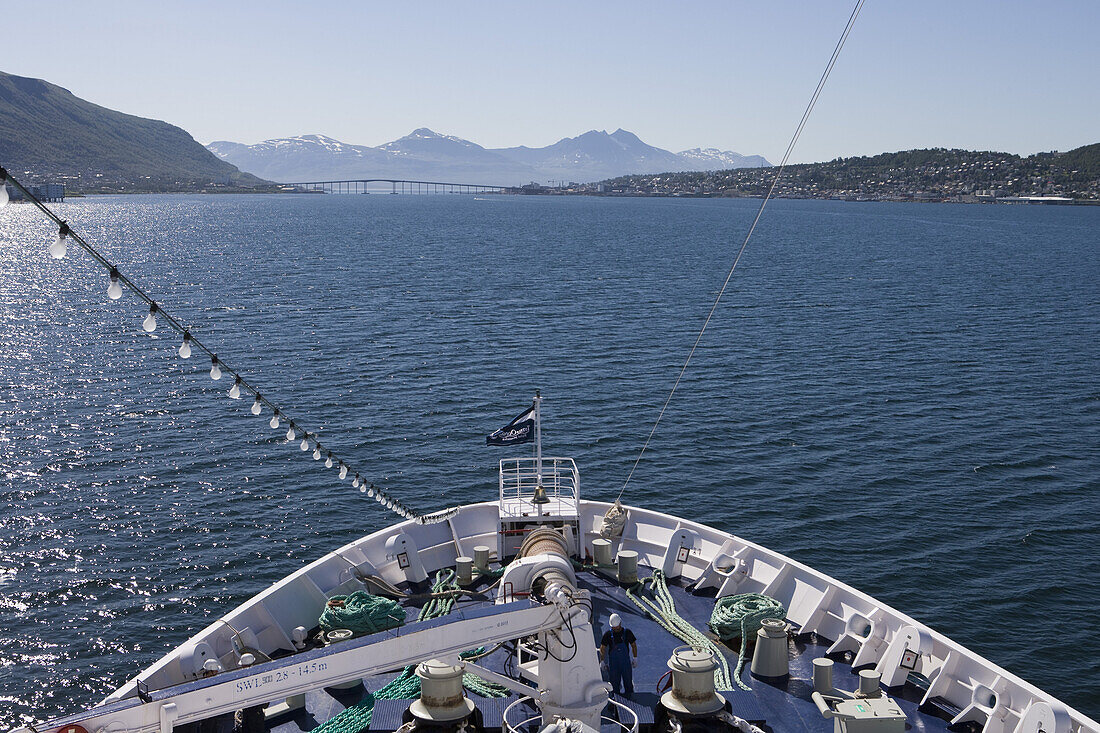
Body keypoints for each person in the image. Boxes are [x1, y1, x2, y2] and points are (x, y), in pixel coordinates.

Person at [599, 613, 637, 697]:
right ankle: (615, 703)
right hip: (614, 665)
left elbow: (633, 645)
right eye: (614, 628)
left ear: (620, 623)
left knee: (628, 683)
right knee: (614, 685)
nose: (616, 629)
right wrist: (602, 661)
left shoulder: (627, 633)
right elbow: (602, 648)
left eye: (617, 627)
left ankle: (630, 698)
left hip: (625, 664)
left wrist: (635, 658)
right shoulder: (608, 635)